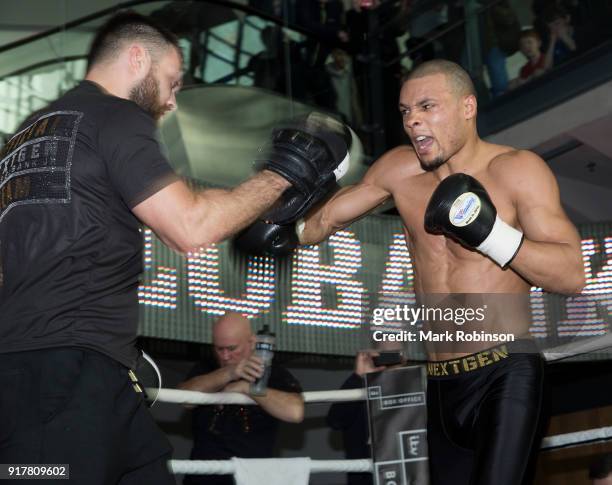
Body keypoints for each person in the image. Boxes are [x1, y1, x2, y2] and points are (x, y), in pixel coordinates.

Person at [0, 11, 350, 485]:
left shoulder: (29, 133)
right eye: (172, 81)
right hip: (65, 374)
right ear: (137, 57)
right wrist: (285, 175)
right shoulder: (114, 115)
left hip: (77, 371)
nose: (171, 100)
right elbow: (191, 227)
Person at [243, 59, 585, 484]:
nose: (414, 121)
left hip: (506, 373)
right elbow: (324, 222)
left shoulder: (516, 170)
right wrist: (280, 216)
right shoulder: (398, 171)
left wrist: (488, 232)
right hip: (440, 382)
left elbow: (571, 274)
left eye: (427, 106)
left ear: (468, 107)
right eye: (406, 111)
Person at [178, 312, 304, 485]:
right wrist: (229, 373)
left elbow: (295, 411)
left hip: (252, 478)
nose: (225, 356)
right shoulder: (206, 367)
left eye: (232, 348)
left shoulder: (270, 372)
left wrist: (248, 388)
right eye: (219, 349)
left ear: (251, 342)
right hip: (203, 478)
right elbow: (185, 398)